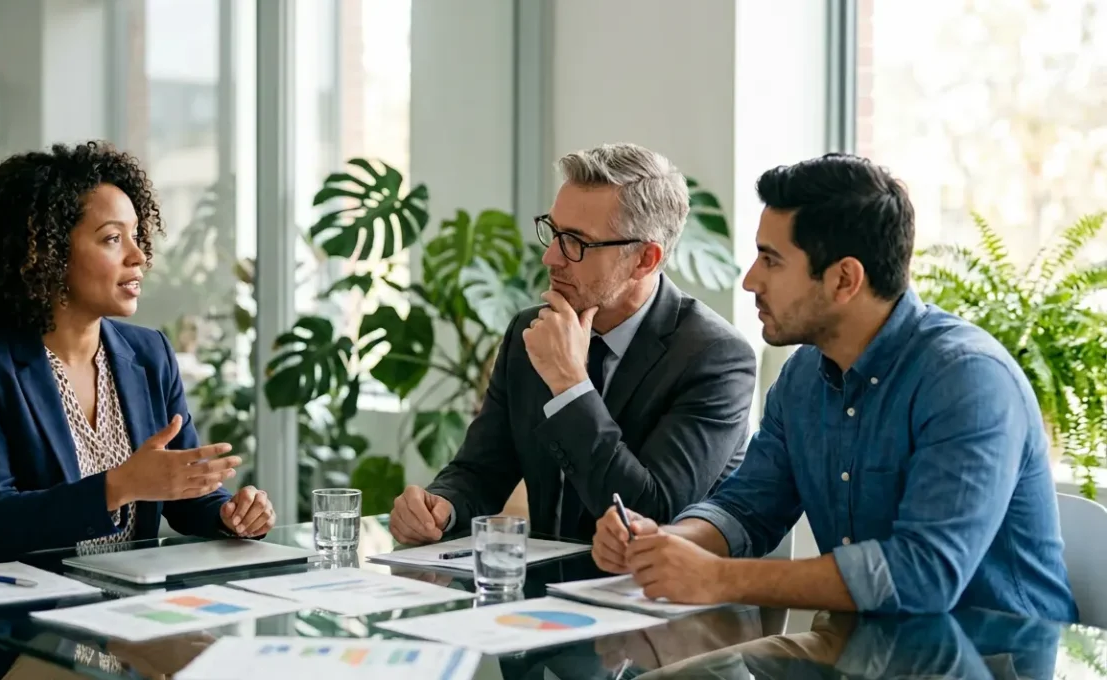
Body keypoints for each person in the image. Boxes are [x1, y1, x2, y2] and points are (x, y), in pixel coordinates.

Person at [592, 153, 1078, 622]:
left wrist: (719, 578)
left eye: (771, 260)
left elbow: (923, 576)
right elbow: (747, 509)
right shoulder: (803, 377)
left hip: (994, 658)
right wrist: (665, 543)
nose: (749, 281)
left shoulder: (967, 379)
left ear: (844, 279)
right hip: (864, 652)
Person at [0, 141, 277, 680]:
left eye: (136, 236)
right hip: (13, 628)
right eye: (111, 239)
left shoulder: (149, 354)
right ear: (49, 252)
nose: (138, 256)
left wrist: (227, 513)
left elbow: (182, 489)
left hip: (127, 615)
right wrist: (117, 486)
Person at [389, 143, 757, 545]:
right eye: (553, 232)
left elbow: (650, 512)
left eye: (576, 242)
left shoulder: (714, 357)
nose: (551, 257)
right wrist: (442, 506)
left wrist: (570, 384)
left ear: (644, 260)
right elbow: (483, 469)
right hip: (547, 591)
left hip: (661, 597)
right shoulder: (531, 329)